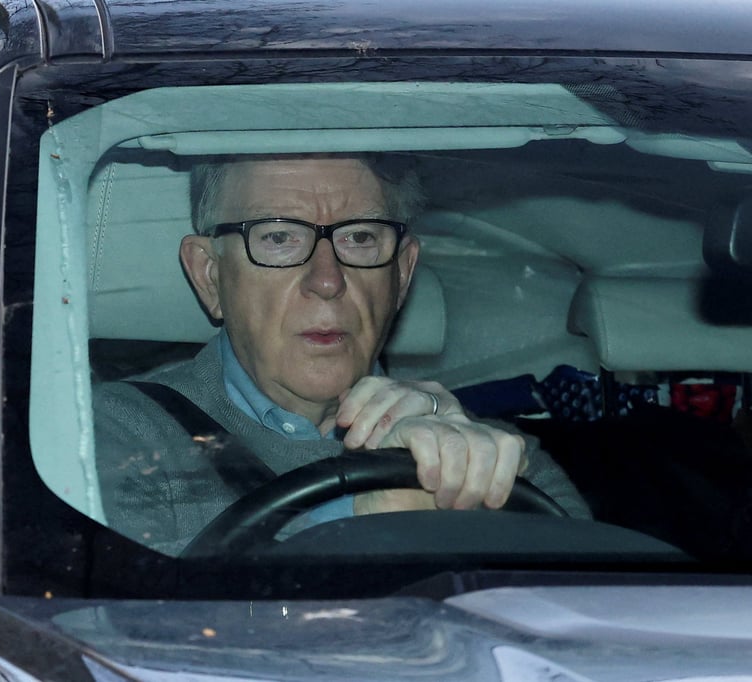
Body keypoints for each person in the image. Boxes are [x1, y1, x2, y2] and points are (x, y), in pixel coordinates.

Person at [94, 154, 589, 554]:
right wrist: (363, 521)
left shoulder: (496, 456)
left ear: (402, 274)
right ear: (209, 275)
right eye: (279, 237)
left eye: (360, 237)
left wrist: (466, 499)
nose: (327, 281)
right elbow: (114, 615)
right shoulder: (110, 431)